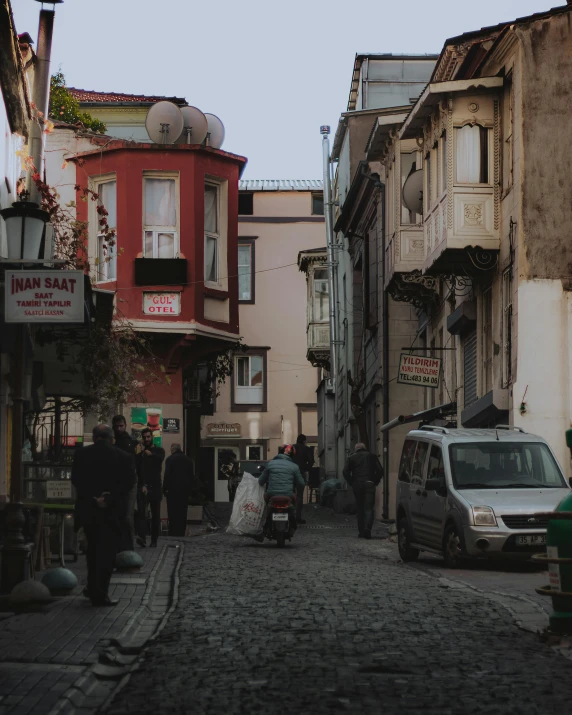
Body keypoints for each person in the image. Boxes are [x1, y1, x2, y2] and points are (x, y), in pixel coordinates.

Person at [71, 424, 136, 607]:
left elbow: (76, 479)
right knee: (107, 554)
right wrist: (108, 498)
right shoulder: (124, 457)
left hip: (89, 510)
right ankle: (100, 593)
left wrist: (93, 498)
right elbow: (129, 483)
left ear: (94, 437)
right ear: (111, 438)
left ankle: (93, 588)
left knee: (92, 552)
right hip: (112, 511)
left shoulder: (82, 454)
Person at [259, 445, 306, 530]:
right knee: (294, 503)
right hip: (288, 495)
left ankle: (267, 520)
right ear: (292, 455)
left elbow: (260, 481)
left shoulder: (270, 464)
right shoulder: (294, 466)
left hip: (271, 494)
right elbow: (301, 483)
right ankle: (292, 519)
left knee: (267, 503)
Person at [343, 442, 383, 539]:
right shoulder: (372, 456)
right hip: (369, 483)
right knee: (369, 508)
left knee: (360, 508)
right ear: (364, 448)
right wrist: (375, 481)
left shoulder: (351, 458)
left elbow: (345, 471)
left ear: (356, 449)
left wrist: (352, 482)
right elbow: (380, 470)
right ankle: (367, 529)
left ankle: (361, 531)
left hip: (357, 484)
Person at [135, 428, 165, 547]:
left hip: (156, 486)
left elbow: (159, 459)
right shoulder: (140, 455)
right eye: (145, 437)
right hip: (143, 486)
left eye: (148, 437)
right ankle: (142, 537)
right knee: (141, 513)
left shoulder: (159, 451)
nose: (147, 439)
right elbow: (138, 470)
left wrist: (150, 454)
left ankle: (154, 540)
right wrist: (142, 484)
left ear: (152, 437)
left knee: (155, 515)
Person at [112, 415, 138, 551]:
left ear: (125, 425)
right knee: (119, 515)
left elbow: (135, 464)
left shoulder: (130, 441)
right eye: (116, 426)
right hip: (117, 483)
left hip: (129, 482)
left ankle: (129, 547)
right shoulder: (113, 442)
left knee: (127, 516)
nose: (119, 428)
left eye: (121, 426)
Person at [163, 443, 196, 536]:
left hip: (172, 491)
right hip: (184, 491)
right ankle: (181, 531)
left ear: (173, 449)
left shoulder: (170, 459)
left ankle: (173, 532)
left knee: (172, 512)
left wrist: (164, 488)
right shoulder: (188, 460)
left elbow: (167, 475)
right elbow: (191, 477)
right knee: (182, 512)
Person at [292, 434, 314, 525]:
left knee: (291, 493)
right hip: (301, 473)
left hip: (291, 473)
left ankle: (290, 516)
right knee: (300, 495)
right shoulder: (307, 449)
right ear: (304, 441)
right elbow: (311, 461)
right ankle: (298, 517)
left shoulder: (291, 448)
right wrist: (307, 468)